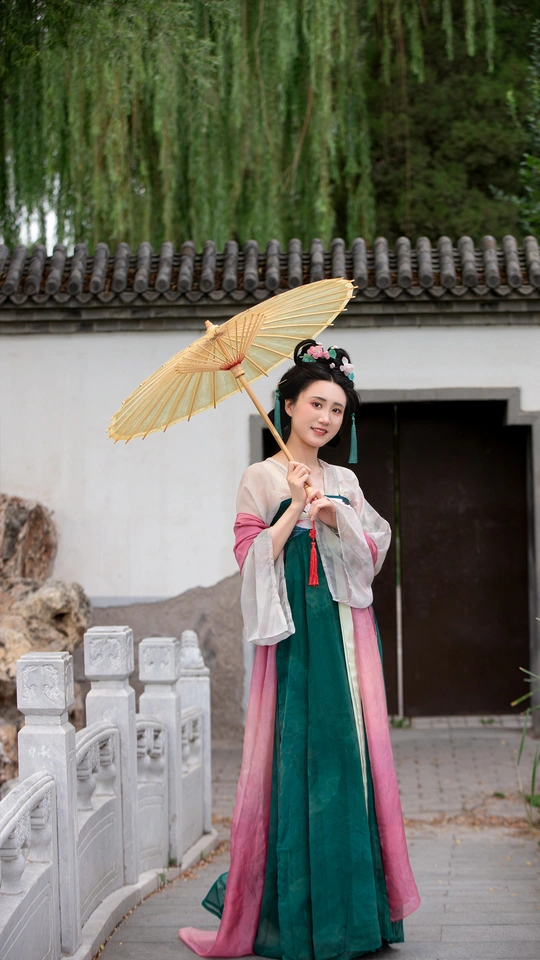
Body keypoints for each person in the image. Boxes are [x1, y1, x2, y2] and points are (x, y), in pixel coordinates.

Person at [179, 339, 420, 960]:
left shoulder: (345, 480)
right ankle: (291, 921)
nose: (326, 418)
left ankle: (357, 922)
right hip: (292, 638)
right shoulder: (260, 476)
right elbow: (248, 558)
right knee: (292, 759)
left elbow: (373, 550)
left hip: (344, 634)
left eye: (337, 410)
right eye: (316, 404)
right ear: (287, 405)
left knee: (348, 759)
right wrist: (291, 506)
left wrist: (334, 514)